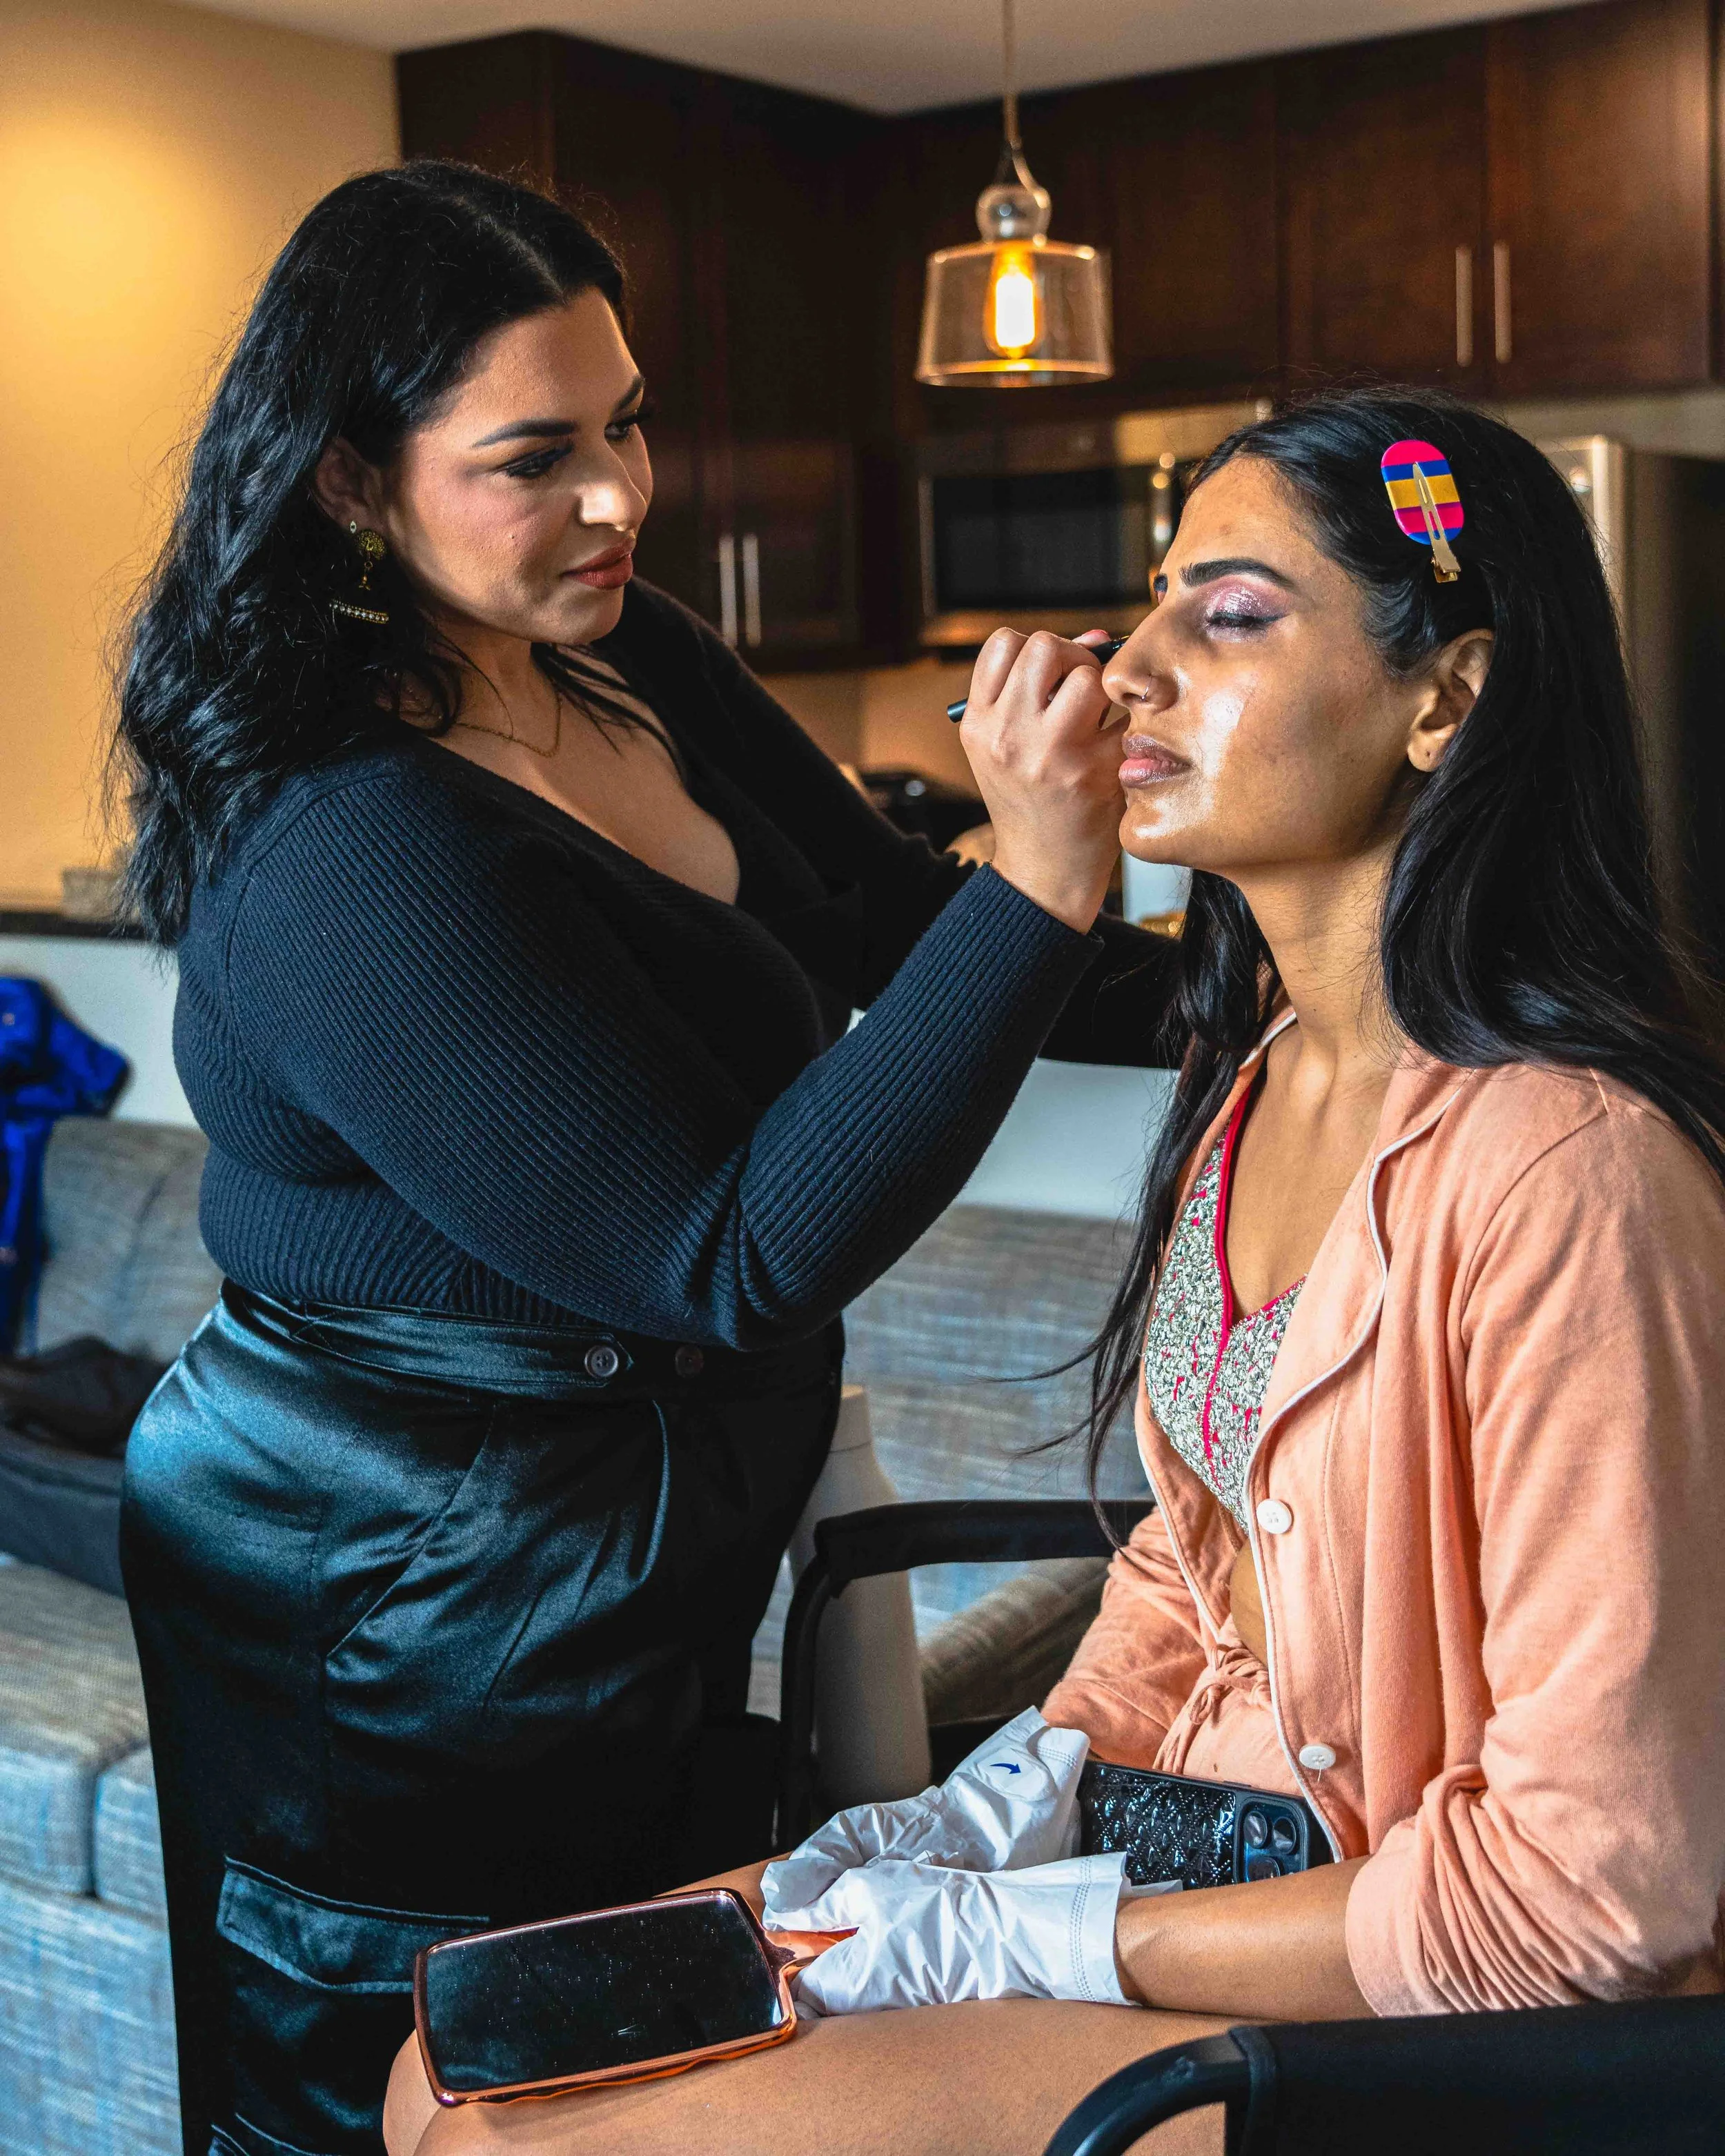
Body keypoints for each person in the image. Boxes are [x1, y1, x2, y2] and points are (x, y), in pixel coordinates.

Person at [379, 384, 1725, 2156]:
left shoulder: (1564, 1175)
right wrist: (1001, 1804)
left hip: (1411, 2018)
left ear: (1443, 700)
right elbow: (1189, 1574)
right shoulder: (1260, 1089)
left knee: (528, 2141)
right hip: (1197, 1880)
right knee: (447, 2069)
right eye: (1150, 600)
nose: (1128, 672)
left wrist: (1055, 1938)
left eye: (1228, 614)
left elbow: (1588, 1894)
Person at [112, 159, 1172, 2156]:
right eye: (536, 457)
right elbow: (722, 1254)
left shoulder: (623, 647)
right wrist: (1040, 877)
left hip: (617, 1538)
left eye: (628, 425)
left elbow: (870, 907)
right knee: (451, 2086)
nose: (617, 497)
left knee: (647, 2053)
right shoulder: (345, 842)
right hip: (403, 1590)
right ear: (350, 478)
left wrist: (1290, 971)